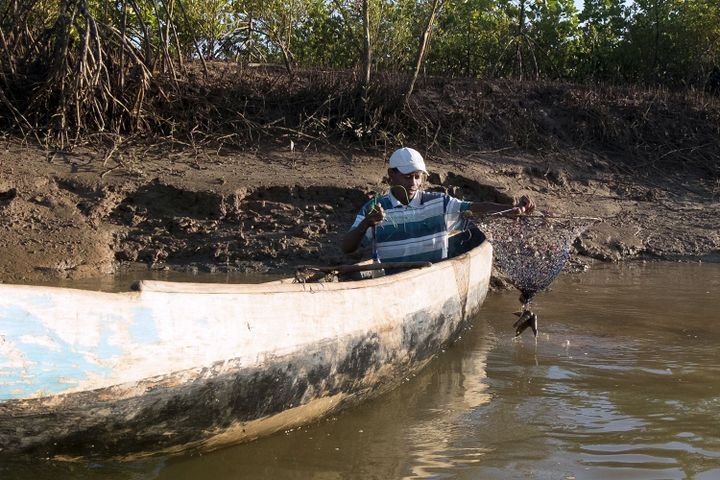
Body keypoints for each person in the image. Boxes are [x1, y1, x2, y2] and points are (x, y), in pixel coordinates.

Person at [341, 147, 535, 264]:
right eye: (407, 177)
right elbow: (346, 248)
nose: (413, 183)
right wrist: (366, 223)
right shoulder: (374, 208)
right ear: (391, 174)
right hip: (395, 284)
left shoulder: (438, 203)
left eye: (418, 177)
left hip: (433, 282)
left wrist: (511, 210)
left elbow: (474, 207)